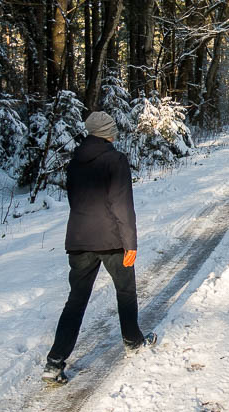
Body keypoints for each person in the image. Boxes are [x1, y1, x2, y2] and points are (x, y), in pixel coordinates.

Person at [42, 111, 156, 384]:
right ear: (106, 132)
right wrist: (130, 243)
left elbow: (74, 200)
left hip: (79, 240)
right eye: (112, 128)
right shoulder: (115, 160)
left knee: (76, 300)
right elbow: (122, 205)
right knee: (125, 291)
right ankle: (133, 341)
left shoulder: (74, 161)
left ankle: (54, 362)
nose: (115, 131)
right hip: (112, 241)